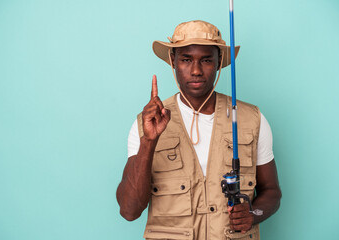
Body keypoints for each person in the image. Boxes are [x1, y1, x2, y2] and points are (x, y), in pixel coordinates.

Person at [116, 20, 281, 240]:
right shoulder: (146, 124)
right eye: (186, 60)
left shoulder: (252, 119)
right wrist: (149, 141)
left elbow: (272, 192)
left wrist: (253, 213)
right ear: (173, 61)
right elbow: (129, 210)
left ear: (219, 62)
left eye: (206, 60)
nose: (196, 71)